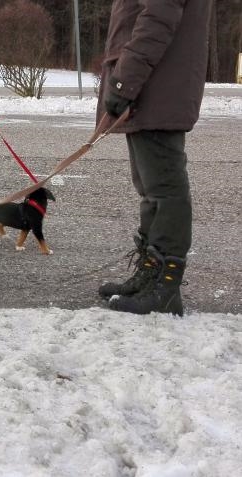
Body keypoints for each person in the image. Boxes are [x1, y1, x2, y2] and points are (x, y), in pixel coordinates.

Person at [97, 0, 213, 316]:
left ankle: (165, 286)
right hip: (153, 82)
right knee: (151, 188)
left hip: (156, 82)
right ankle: (150, 273)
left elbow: (157, 20)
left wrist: (124, 80)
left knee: (165, 188)